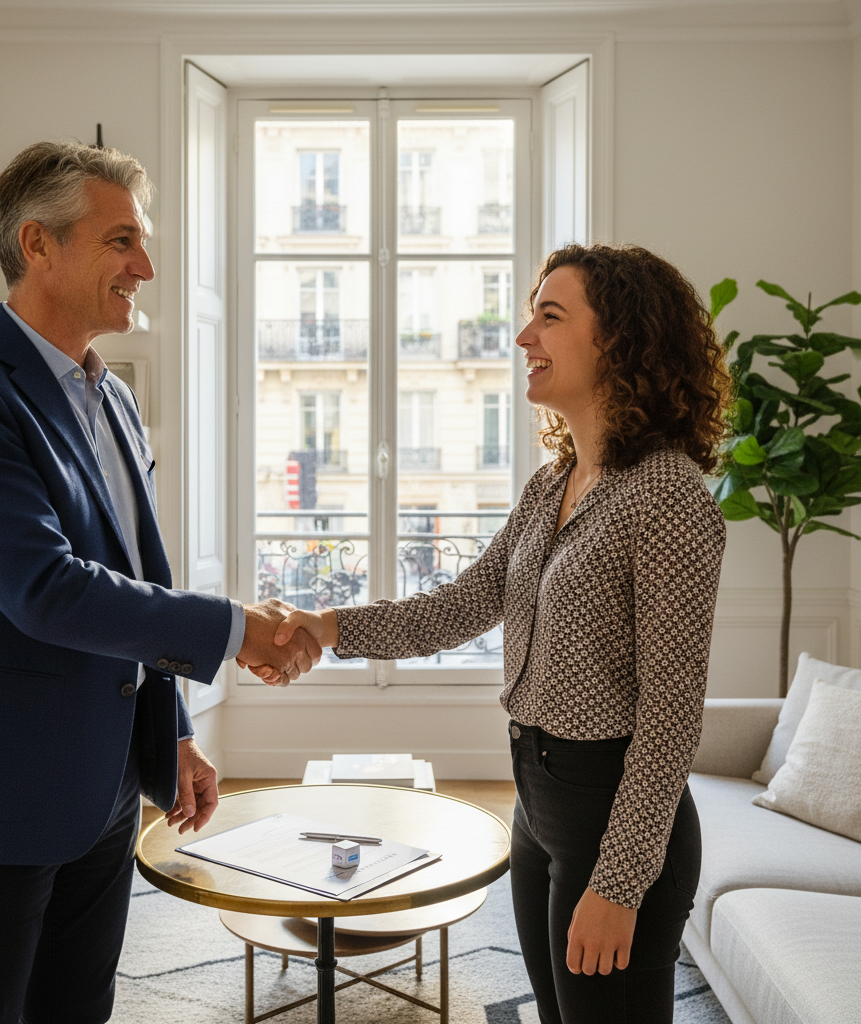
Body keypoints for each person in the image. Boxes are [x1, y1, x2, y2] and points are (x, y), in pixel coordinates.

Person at [0, 140, 320, 1024]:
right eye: (123, 241)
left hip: (106, 782)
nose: (145, 266)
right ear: (38, 244)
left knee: (79, 1008)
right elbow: (44, 587)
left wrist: (175, 730)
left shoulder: (110, 396)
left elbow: (134, 575)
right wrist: (237, 627)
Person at [266, 244, 731, 1024]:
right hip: (538, 804)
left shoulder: (669, 497)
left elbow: (671, 720)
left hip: (611, 814)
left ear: (618, 340)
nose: (524, 339)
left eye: (549, 317)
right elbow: (463, 604)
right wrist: (331, 625)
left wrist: (618, 885)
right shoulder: (553, 481)